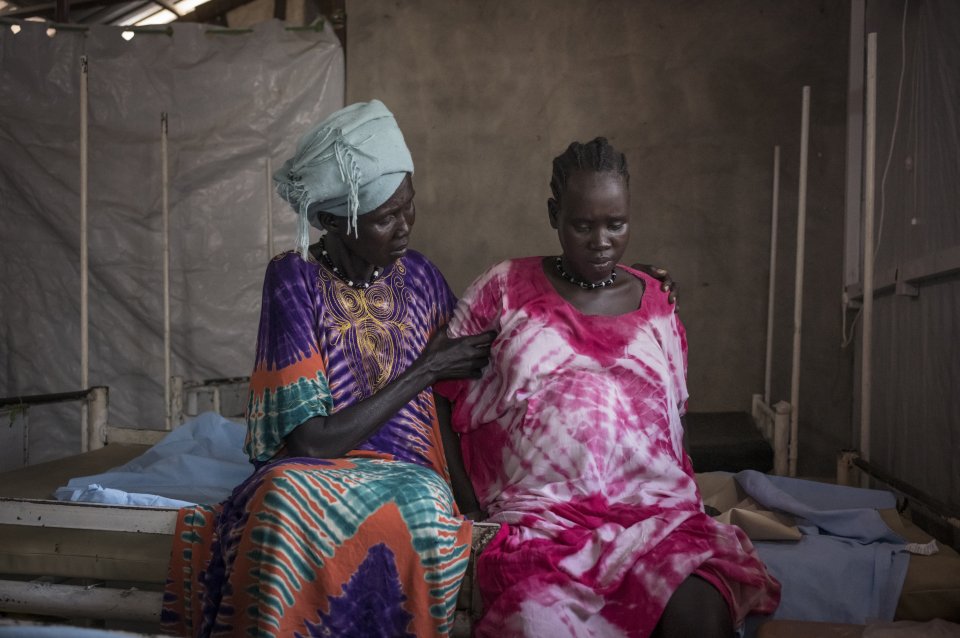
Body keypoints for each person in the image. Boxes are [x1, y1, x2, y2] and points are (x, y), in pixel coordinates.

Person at [161, 100, 494, 637]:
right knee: (281, 499)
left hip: (411, 470)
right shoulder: (292, 278)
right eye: (385, 217)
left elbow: (451, 396)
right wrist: (424, 370)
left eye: (409, 205)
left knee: (414, 508)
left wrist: (470, 503)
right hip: (312, 468)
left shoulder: (422, 277)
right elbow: (310, 443)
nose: (405, 226)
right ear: (337, 221)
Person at [436, 137, 781, 637]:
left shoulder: (656, 301)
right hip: (544, 522)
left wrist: (686, 495)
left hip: (654, 517)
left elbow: (670, 418)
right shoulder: (504, 288)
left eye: (615, 224)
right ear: (554, 215)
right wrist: (468, 504)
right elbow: (443, 392)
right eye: (583, 225)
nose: (601, 241)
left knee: (701, 617)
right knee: (536, 620)